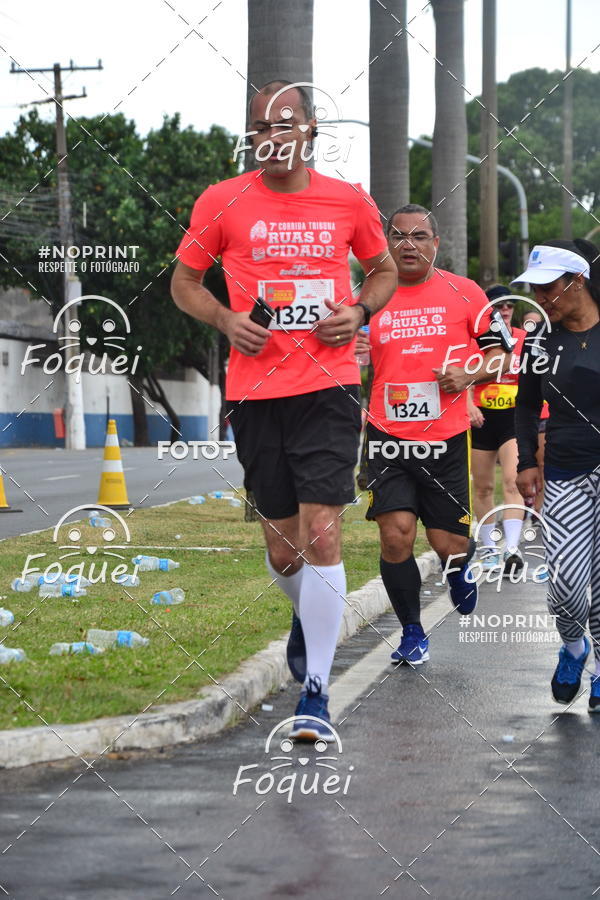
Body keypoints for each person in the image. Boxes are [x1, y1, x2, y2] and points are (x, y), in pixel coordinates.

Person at [171, 80, 397, 740]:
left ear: (310, 130)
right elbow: (184, 282)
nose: (272, 136)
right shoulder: (221, 200)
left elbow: (382, 270)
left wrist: (359, 309)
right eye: (261, 126)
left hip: (328, 386)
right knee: (284, 547)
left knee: (322, 531)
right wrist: (226, 319)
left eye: (285, 123)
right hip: (255, 391)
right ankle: (308, 614)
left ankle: (316, 691)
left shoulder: (348, 200)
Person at [359, 204, 511, 665]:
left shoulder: (465, 292)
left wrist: (467, 375)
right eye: (399, 236)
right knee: (396, 536)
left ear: (436, 244)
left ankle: (461, 565)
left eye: (419, 236)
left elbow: (503, 356)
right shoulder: (369, 295)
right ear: (387, 242)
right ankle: (411, 632)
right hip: (386, 436)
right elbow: (344, 352)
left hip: (445, 438)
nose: (408, 244)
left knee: (448, 544)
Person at [514, 239, 600, 711]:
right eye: (535, 289)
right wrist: (527, 461)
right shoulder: (540, 341)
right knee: (566, 583)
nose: (541, 298)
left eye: (548, 288)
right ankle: (573, 646)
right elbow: (526, 407)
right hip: (566, 472)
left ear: (578, 281)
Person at [468, 285, 526, 574]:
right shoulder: (476, 339)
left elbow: (534, 379)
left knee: (512, 481)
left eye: (509, 306)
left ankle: (512, 549)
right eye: (498, 306)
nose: (504, 310)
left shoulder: (523, 339)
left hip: (512, 418)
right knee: (483, 487)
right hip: (482, 417)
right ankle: (490, 549)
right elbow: (465, 374)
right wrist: (469, 405)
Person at [521, 309, 549, 521]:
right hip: (523, 414)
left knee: (542, 462)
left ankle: (538, 508)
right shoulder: (521, 342)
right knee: (530, 462)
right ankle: (530, 502)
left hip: (547, 413)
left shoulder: (548, 340)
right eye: (527, 323)